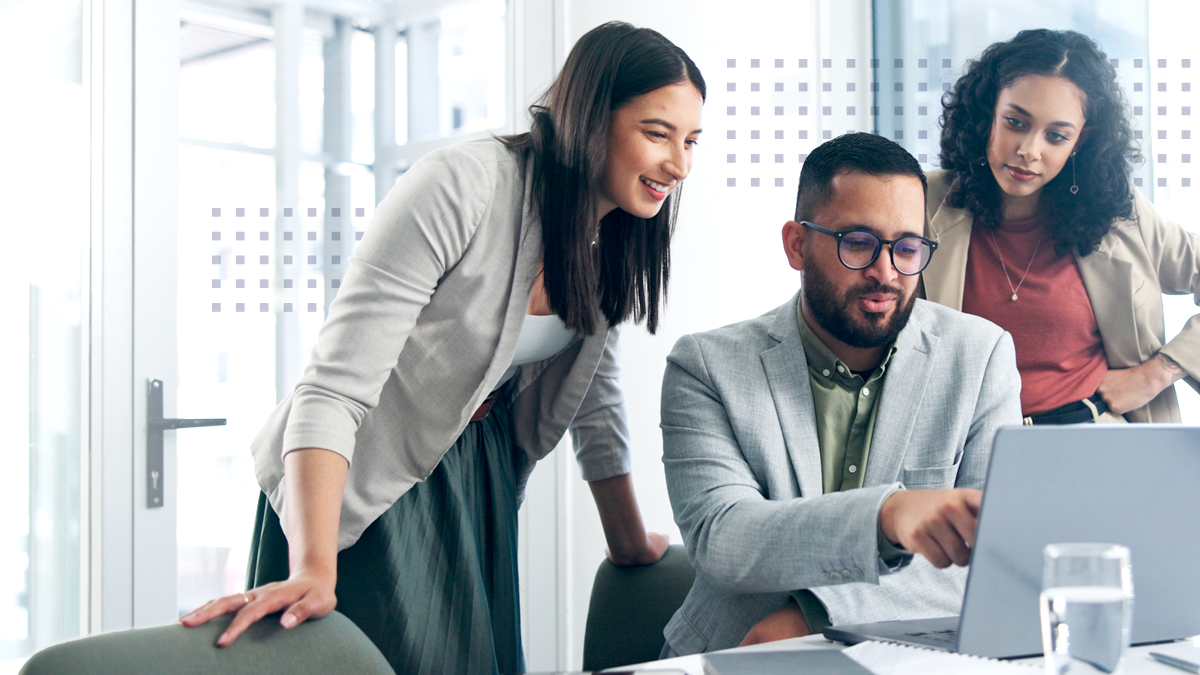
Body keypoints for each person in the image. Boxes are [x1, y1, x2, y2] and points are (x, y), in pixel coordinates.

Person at [180, 21, 705, 675]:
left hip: (471, 480)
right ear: (589, 117)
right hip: (362, 480)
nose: (679, 165)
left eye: (690, 140)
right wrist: (314, 564)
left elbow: (592, 397)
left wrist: (627, 541)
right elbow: (332, 387)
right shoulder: (465, 184)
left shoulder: (612, 232)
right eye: (658, 134)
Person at [658, 133, 1022, 656]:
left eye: (908, 247)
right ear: (797, 245)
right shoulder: (706, 366)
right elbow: (725, 539)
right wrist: (888, 516)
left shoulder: (981, 356)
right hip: (728, 654)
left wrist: (814, 613)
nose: (886, 272)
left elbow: (995, 555)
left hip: (907, 659)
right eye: (858, 242)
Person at [926, 29, 1200, 424]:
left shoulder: (1118, 214)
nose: (1029, 151)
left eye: (1056, 136)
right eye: (1015, 123)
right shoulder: (922, 202)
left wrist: (1159, 373)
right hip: (964, 452)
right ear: (988, 114)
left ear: (1081, 142)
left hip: (1096, 442)